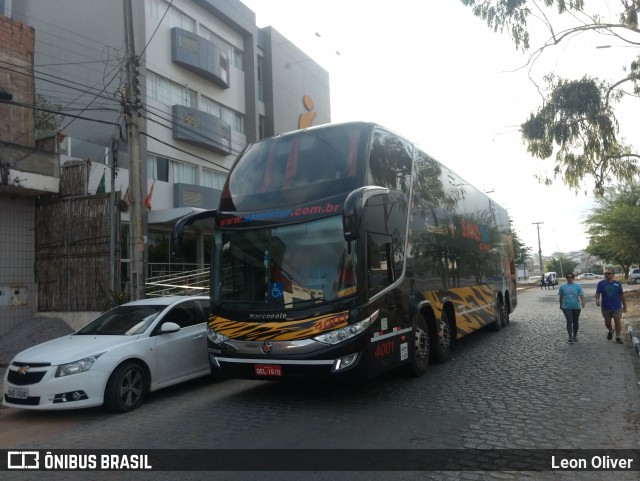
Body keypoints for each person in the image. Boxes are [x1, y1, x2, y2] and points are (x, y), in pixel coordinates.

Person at [595, 270, 627, 344]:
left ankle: (618, 337)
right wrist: (597, 300)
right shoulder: (601, 283)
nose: (607, 275)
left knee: (617, 321)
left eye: (609, 273)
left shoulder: (617, 284)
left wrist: (625, 306)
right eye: (605, 274)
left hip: (616, 306)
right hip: (606, 306)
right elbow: (597, 293)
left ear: (613, 275)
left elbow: (621, 295)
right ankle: (610, 330)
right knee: (607, 322)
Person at [558, 272, 585, 343]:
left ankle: (575, 335)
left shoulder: (577, 286)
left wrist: (583, 302)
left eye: (571, 277)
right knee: (569, 320)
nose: (569, 279)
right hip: (566, 307)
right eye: (568, 277)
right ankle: (570, 336)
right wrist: (560, 305)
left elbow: (581, 295)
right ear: (566, 278)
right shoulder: (563, 287)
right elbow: (561, 296)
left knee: (575, 321)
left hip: (576, 307)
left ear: (573, 278)